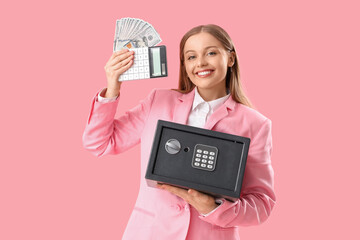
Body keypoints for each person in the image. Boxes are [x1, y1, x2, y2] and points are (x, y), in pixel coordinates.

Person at [83, 24, 276, 240]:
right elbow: (98, 143)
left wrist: (213, 208)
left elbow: (262, 203)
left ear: (230, 59)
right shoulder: (158, 102)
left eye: (211, 53)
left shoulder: (256, 124)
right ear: (184, 65)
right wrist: (112, 88)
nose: (201, 62)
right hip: (150, 233)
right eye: (191, 57)